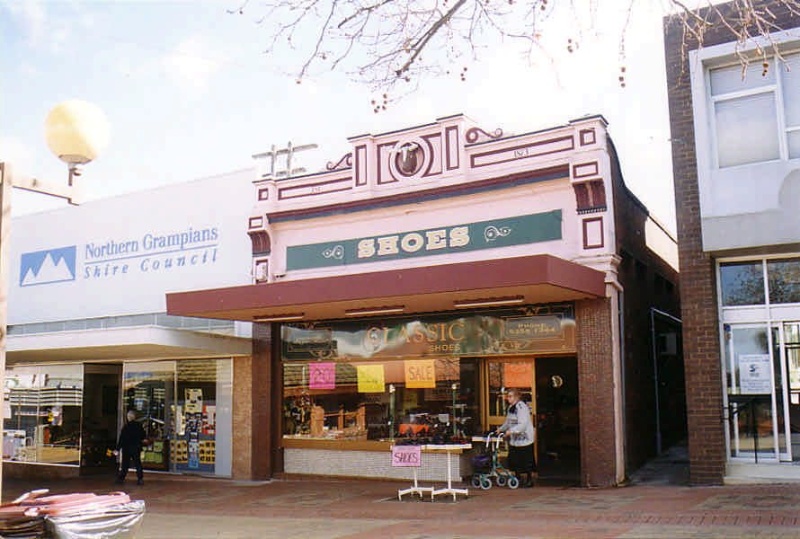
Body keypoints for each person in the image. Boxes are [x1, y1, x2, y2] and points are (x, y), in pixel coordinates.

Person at [496, 388, 537, 488]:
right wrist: (501, 429)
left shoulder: (521, 407)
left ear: (517, 397)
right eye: (507, 396)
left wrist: (511, 431)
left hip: (524, 439)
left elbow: (522, 424)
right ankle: (517, 477)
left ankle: (529, 479)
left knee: (526, 460)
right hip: (515, 440)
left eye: (510, 396)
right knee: (515, 460)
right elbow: (508, 422)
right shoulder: (511, 407)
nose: (508, 398)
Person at [116, 410, 147, 485]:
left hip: (127, 448)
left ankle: (121, 478)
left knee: (125, 464)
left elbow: (122, 439)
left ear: (129, 417)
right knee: (137, 463)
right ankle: (140, 478)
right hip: (136, 447)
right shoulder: (139, 426)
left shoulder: (126, 427)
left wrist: (118, 448)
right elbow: (143, 436)